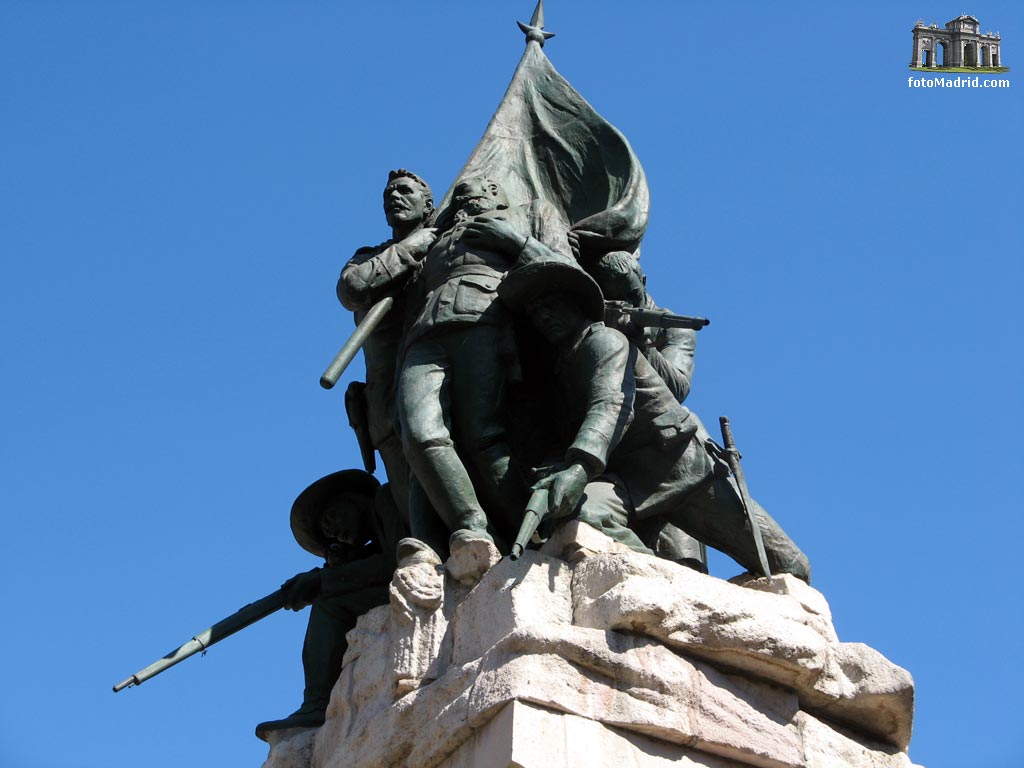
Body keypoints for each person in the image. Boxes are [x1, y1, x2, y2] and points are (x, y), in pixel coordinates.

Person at [497, 251, 811, 581]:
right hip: (628, 480)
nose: (543, 317)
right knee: (586, 513)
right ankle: (670, 589)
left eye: (551, 306)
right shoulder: (559, 371)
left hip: (678, 467)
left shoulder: (605, 341)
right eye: (535, 312)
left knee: (789, 566)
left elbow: (611, 404)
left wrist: (579, 467)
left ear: (576, 303)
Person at [395, 176, 573, 557]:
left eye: (467, 192)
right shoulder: (434, 240)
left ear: (495, 191)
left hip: (487, 322)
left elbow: (566, 271)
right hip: (424, 335)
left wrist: (514, 241)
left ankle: (535, 532)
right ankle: (472, 526)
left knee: (483, 439)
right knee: (420, 435)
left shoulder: (524, 217)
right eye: (455, 195)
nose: (459, 200)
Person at [255, 470, 405, 740]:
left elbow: (396, 560)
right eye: (329, 535)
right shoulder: (373, 531)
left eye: (330, 521)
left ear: (349, 500)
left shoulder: (386, 500)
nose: (335, 534)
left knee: (328, 604)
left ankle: (316, 704)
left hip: (428, 577)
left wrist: (325, 580)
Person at [588, 250, 707, 572]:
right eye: (616, 296)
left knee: (682, 547)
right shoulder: (592, 322)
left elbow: (678, 387)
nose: (627, 301)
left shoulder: (674, 328)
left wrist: (642, 343)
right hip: (612, 441)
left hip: (660, 442)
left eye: (632, 293)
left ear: (643, 281)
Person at [336, 170, 438, 522]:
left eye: (405, 190)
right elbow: (353, 289)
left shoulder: (446, 244)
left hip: (441, 370)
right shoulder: (368, 257)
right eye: (388, 194)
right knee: (405, 488)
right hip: (385, 391)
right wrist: (410, 248)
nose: (394, 196)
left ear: (429, 204)